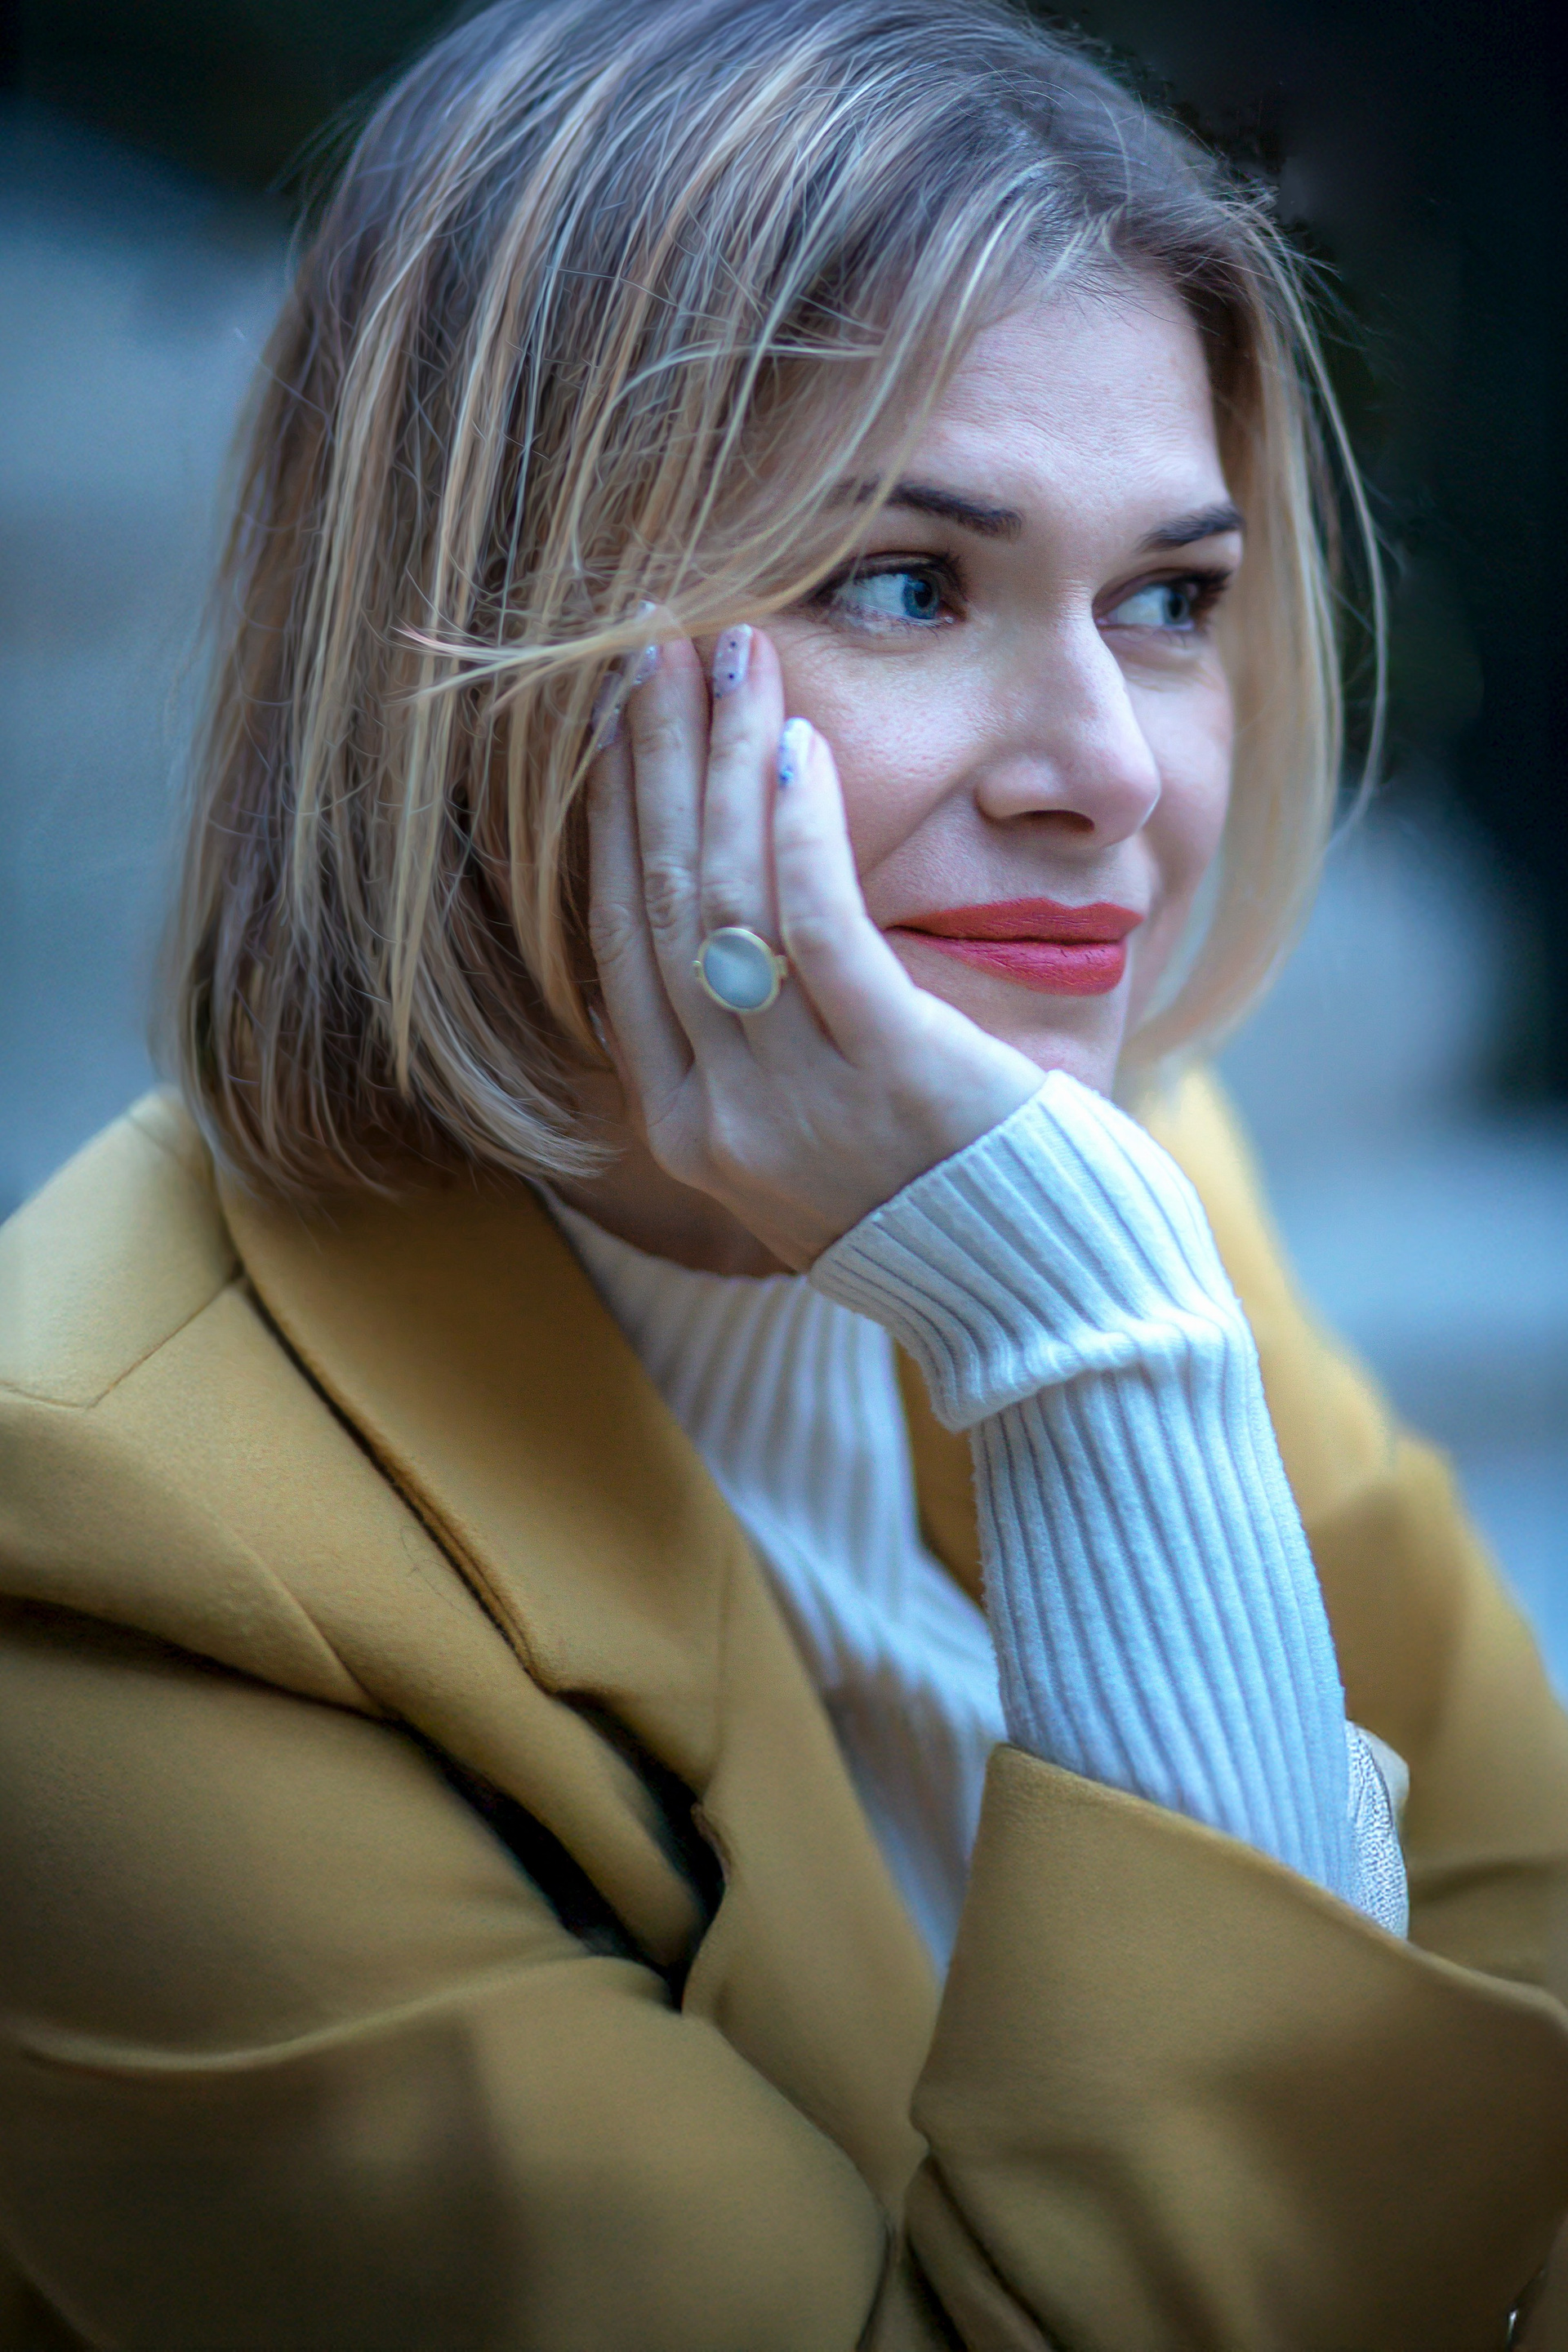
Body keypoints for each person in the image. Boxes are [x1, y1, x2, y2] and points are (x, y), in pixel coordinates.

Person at [2, 0, 1568, 2343]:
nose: (1106, 776)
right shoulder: (113, 1554)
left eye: (1169, 600)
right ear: (488, 653)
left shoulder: (1084, 1154)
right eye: (906, 583)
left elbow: (1521, 1926)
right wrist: (1085, 1351)